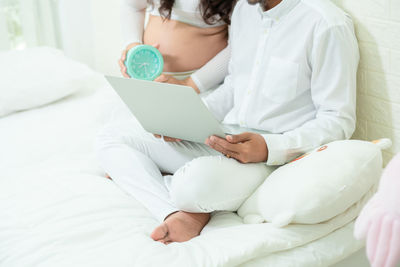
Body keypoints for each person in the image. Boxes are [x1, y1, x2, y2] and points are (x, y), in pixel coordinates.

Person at [96, 0, 359, 244]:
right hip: (224, 138)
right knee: (111, 136)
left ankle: (167, 182)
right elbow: (235, 84)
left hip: (271, 159)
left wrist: (269, 147)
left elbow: (338, 119)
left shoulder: (326, 24)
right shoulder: (246, 10)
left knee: (193, 185)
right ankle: (172, 212)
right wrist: (186, 117)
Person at [119, 0, 236, 93]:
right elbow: (133, 6)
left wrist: (190, 85)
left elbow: (239, 47)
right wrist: (133, 47)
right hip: (145, 82)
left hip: (204, 88)